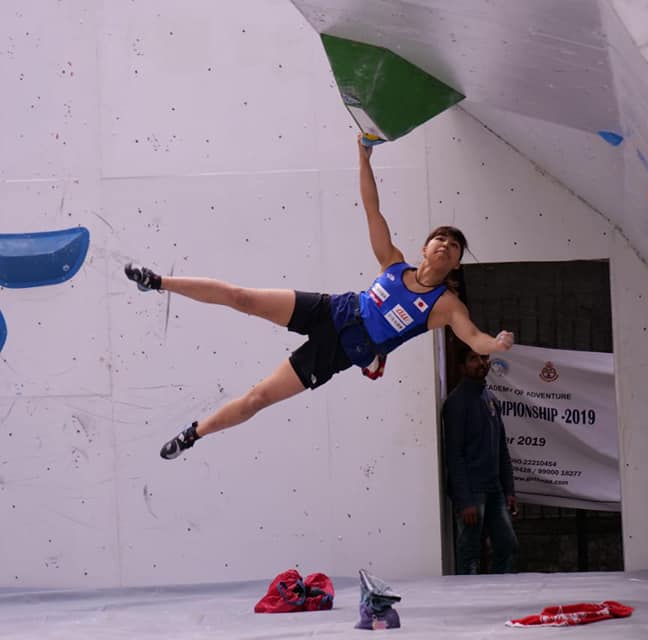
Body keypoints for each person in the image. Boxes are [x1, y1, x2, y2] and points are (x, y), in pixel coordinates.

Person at [124, 135, 515, 460]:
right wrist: (363, 156)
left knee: (258, 397)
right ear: (425, 248)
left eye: (454, 245)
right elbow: (371, 208)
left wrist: (494, 344)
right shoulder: (393, 263)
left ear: (457, 263)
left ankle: (194, 434)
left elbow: (473, 337)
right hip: (333, 309)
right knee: (242, 297)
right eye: (440, 239)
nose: (445, 245)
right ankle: (157, 281)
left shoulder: (445, 306)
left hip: (344, 350)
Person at [442, 346, 519, 574]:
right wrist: (464, 500)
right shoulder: (456, 403)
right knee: (470, 556)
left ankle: (496, 599)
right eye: (473, 359)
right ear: (462, 367)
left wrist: (509, 490)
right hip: (472, 493)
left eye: (484, 357)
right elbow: (453, 455)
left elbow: (501, 448)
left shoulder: (491, 399)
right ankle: (469, 606)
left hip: (494, 490)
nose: (481, 363)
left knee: (508, 546)